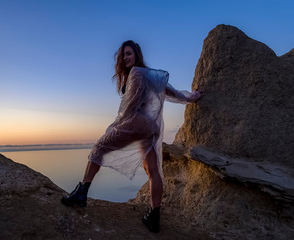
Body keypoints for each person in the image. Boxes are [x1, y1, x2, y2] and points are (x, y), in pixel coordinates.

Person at [61, 40, 202, 233]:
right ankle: (154, 216)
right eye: (123, 55)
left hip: (136, 121)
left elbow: (130, 107)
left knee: (99, 149)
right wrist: (189, 97)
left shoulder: (136, 72)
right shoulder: (146, 74)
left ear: (137, 54)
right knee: (152, 169)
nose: (125, 58)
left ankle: (82, 192)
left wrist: (116, 125)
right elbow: (168, 90)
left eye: (128, 53)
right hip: (149, 127)